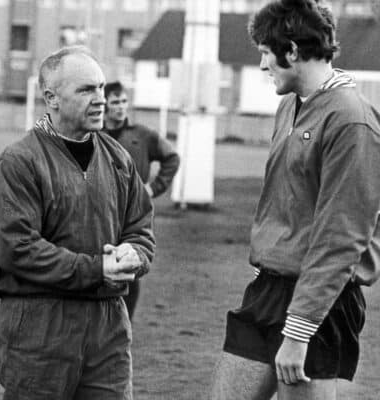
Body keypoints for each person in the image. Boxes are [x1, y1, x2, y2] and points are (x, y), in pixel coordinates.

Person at [211, 1, 380, 399]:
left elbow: (343, 235)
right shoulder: (289, 105)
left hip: (321, 302)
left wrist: (300, 328)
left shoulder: (351, 120)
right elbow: (283, 201)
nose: (262, 65)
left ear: (291, 50)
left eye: (266, 53)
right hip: (268, 290)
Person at [0, 46, 155, 399]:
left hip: (108, 325)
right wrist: (96, 269)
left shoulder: (118, 158)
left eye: (101, 88)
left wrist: (134, 254)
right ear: (52, 98)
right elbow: (17, 248)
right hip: (40, 325)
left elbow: (140, 228)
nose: (100, 99)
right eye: (86, 90)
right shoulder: (20, 162)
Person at [104, 81, 179, 321]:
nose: (120, 107)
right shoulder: (93, 135)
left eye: (124, 101)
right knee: (100, 266)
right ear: (104, 104)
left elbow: (172, 158)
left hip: (132, 215)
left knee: (129, 266)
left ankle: (125, 324)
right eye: (115, 102)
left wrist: (153, 189)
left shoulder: (142, 135)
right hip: (100, 213)